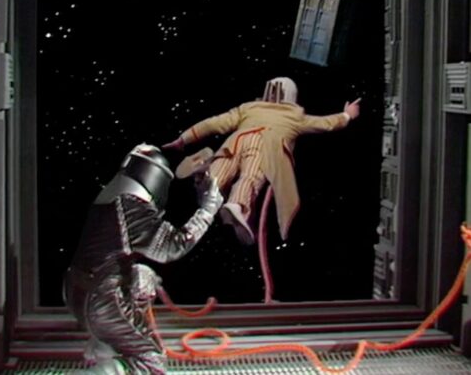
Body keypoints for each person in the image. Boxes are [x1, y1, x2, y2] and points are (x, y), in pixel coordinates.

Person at [64, 143, 223, 375]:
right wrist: (208, 210)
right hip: (101, 300)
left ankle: (105, 345)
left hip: (79, 291)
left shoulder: (111, 199)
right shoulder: (130, 207)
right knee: (152, 363)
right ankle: (104, 366)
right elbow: (173, 246)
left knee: (143, 277)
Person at [163, 77, 360, 246]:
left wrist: (184, 139)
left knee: (220, 173)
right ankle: (238, 204)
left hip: (235, 142)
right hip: (265, 145)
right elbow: (326, 124)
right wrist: (346, 115)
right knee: (250, 177)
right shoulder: (295, 116)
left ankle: (204, 176)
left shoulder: (248, 108)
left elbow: (214, 122)